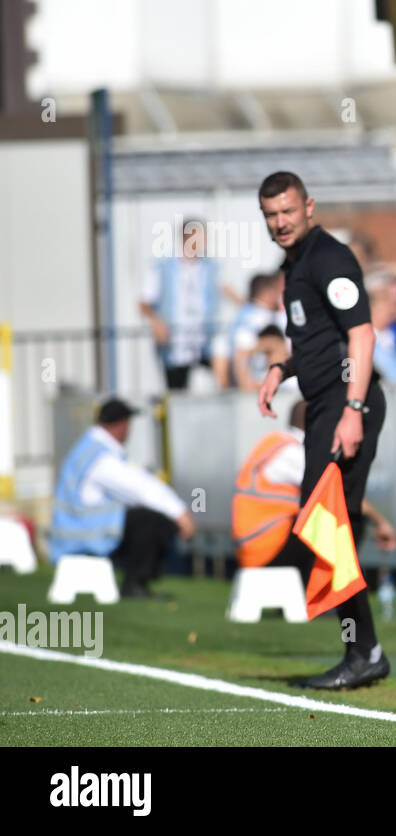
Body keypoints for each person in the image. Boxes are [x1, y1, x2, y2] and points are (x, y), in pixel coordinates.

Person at [254, 170, 389, 691]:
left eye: (288, 211)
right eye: (271, 215)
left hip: (343, 403)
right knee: (331, 528)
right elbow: (315, 343)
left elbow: (361, 334)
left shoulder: (329, 257)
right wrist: (280, 370)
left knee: (325, 524)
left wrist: (352, 409)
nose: (281, 222)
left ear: (309, 206)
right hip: (326, 403)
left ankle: (366, 651)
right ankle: (364, 650)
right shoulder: (296, 266)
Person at [49, 397, 197, 597]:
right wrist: (179, 512)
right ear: (121, 425)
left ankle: (136, 582)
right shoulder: (100, 456)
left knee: (141, 516)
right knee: (150, 519)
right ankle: (136, 584)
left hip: (72, 532)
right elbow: (140, 487)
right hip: (83, 535)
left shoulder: (87, 448)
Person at [232, 399, 396, 573]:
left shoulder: (275, 442)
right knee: (349, 515)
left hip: (256, 545)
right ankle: (330, 591)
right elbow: (339, 494)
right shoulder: (293, 454)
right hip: (267, 548)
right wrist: (381, 522)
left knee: (324, 517)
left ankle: (322, 586)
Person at [140, 219, 222, 391]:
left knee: (220, 377)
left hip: (203, 340)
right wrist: (157, 323)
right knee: (177, 390)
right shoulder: (163, 266)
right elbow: (145, 302)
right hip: (175, 342)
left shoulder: (209, 267)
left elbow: (225, 288)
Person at [213, 272, 286, 390]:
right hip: (259, 384)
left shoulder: (243, 315)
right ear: (267, 293)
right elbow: (242, 352)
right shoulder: (259, 317)